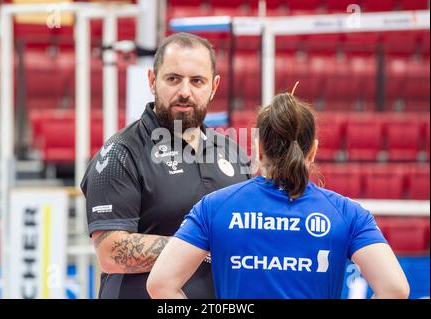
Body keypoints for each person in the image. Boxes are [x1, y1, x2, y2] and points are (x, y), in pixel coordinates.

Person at [146, 93, 410, 299]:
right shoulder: (348, 214)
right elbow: (395, 289)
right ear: (314, 150)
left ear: (258, 148)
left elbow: (161, 285)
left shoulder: (214, 207)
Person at [81, 33, 251, 299]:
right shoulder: (121, 153)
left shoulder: (233, 152)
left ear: (214, 87)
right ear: (152, 80)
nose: (185, 91)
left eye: (197, 81)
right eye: (173, 79)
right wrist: (202, 246)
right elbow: (111, 252)